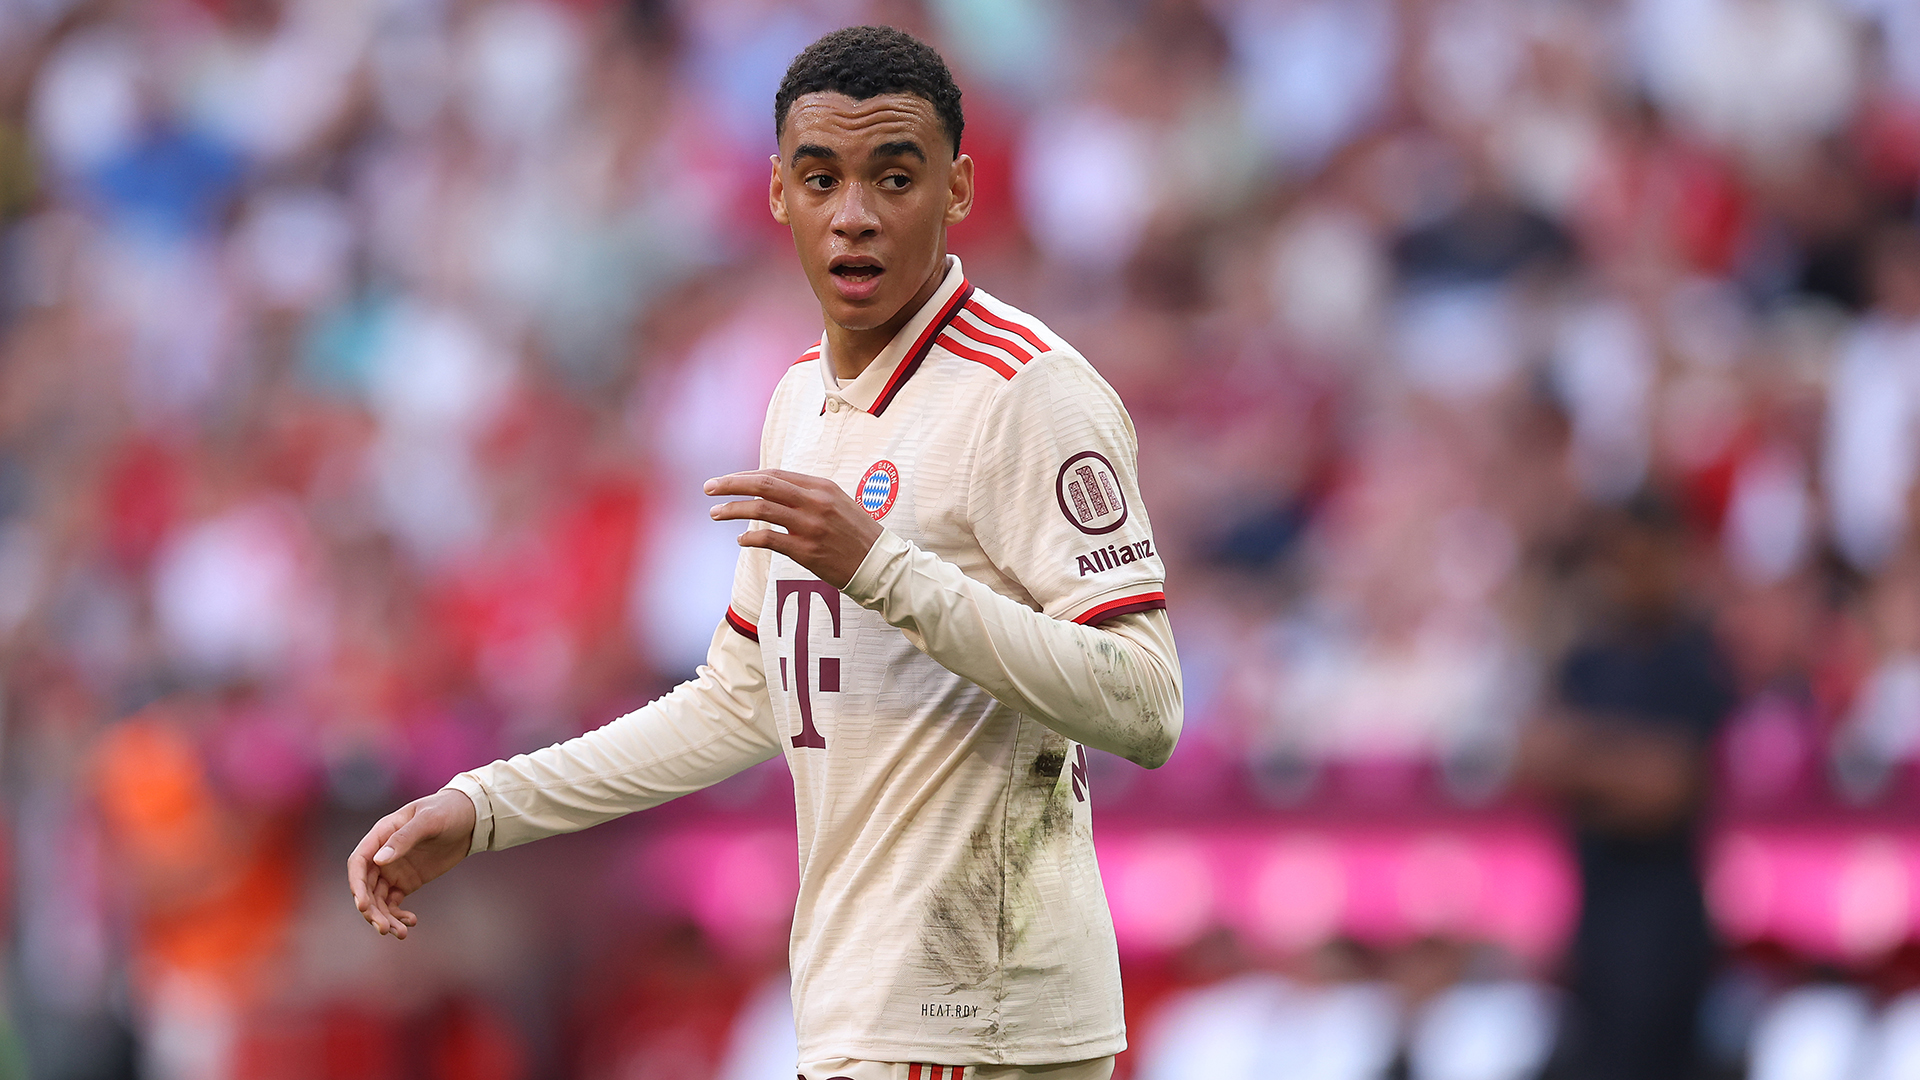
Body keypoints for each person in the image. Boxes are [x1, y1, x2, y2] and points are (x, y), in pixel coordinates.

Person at [346, 26, 1182, 1080]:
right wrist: (488, 807)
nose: (856, 214)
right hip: (858, 1009)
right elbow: (740, 699)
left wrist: (884, 569)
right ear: (779, 194)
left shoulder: (1029, 393)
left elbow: (1145, 703)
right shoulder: (798, 402)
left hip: (980, 1019)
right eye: (822, 178)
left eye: (895, 175)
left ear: (960, 188)